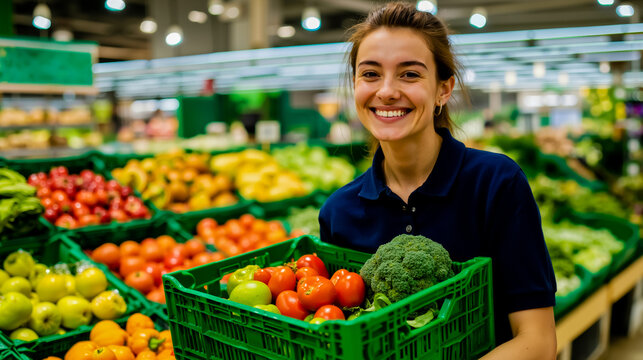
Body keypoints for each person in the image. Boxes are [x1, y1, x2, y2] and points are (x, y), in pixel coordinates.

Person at [318, 2, 557, 359]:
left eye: (409, 74)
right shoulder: (339, 211)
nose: (386, 91)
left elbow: (538, 342)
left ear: (444, 90)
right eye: (370, 74)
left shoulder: (495, 183)